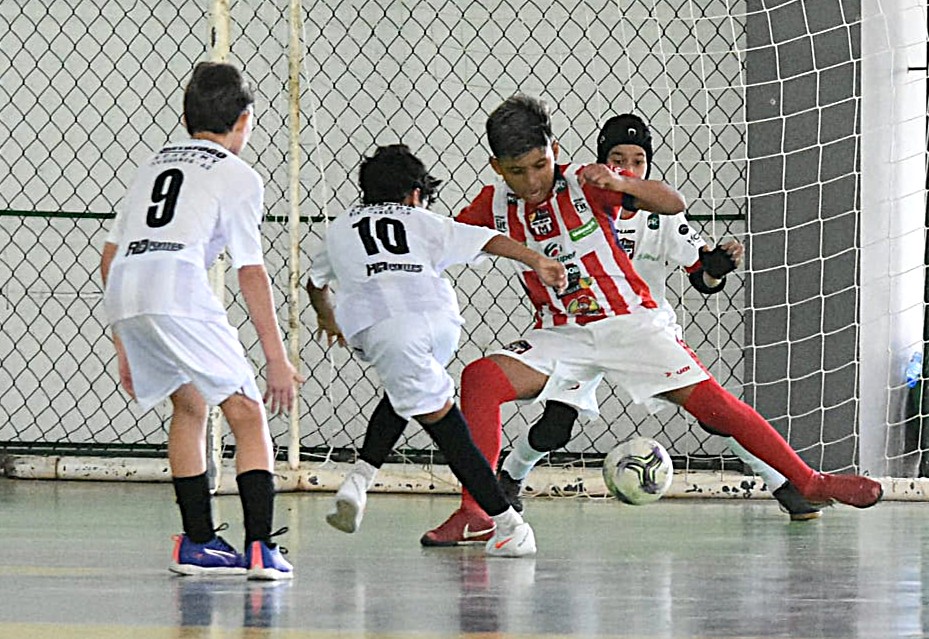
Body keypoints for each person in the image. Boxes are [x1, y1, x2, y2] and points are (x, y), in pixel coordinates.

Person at [420, 94, 881, 546]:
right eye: (517, 172)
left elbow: (672, 202)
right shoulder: (493, 203)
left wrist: (625, 184)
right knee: (481, 378)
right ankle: (476, 509)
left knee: (711, 406)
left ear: (553, 152)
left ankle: (807, 480)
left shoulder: (586, 181)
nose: (532, 181)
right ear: (498, 167)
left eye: (540, 165)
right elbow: (450, 241)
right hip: (562, 334)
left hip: (631, 323)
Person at [492, 113, 823, 523]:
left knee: (716, 413)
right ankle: (510, 476)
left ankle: (784, 485)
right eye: (617, 158)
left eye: (637, 160)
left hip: (641, 327)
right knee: (556, 427)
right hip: (580, 329)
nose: (627, 168)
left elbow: (703, 280)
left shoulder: (657, 213)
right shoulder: (579, 199)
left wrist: (716, 267)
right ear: (600, 160)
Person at [305, 144, 567, 558]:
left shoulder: (340, 228)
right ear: (414, 195)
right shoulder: (425, 221)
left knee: (449, 432)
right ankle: (357, 482)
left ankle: (509, 525)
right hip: (441, 322)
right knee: (406, 388)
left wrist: (327, 318)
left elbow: (315, 284)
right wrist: (536, 259)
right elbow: (491, 240)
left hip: (384, 327)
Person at [100, 61, 301, 580]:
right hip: (177, 290)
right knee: (248, 412)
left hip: (128, 288)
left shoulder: (152, 163)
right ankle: (261, 549)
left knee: (188, 404)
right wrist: (277, 359)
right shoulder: (238, 175)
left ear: (187, 117)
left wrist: (126, 340)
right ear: (245, 121)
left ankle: (198, 542)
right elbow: (250, 272)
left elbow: (110, 255)